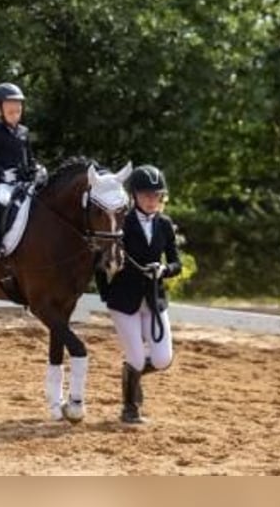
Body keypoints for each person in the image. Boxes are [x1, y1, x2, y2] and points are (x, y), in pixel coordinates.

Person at [95, 164, 182, 424]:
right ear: (134, 196)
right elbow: (99, 259)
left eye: (156, 196)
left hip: (154, 299)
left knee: (163, 358)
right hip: (124, 300)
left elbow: (177, 263)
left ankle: (130, 375)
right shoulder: (123, 222)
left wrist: (163, 269)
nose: (152, 200)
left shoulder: (164, 224)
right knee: (135, 356)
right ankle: (129, 408)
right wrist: (106, 294)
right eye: (146, 195)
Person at [0, 82, 46, 257]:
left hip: (24, 180)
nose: (16, 116)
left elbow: (30, 158)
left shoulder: (23, 131)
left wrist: (37, 168)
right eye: (11, 112)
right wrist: (3, 174)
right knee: (4, 200)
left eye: (18, 111)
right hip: (4, 182)